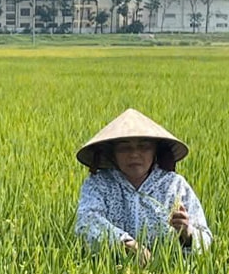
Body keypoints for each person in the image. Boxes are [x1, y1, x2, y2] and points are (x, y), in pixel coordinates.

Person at [74, 108, 211, 262]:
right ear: (112, 153)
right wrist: (127, 245)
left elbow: (206, 239)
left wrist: (188, 232)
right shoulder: (98, 184)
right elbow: (86, 221)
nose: (134, 154)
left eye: (144, 147)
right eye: (124, 147)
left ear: (155, 151)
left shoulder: (174, 185)